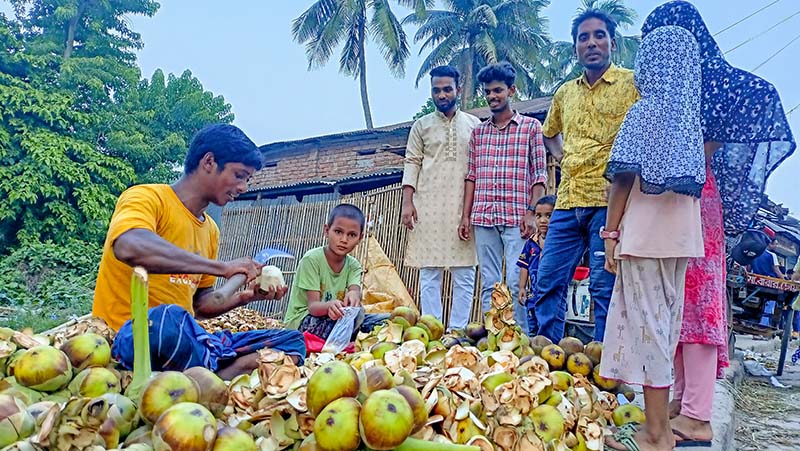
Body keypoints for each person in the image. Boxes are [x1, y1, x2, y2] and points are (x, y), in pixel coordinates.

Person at [641, 2, 796, 445]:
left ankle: (697, 414)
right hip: (671, 200)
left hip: (694, 200)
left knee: (697, 302)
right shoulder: (672, 92)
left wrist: (695, 150)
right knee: (674, 303)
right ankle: (681, 400)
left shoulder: (713, 88)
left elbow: (707, 143)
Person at [94, 124, 307, 380]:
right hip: (133, 337)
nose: (243, 187)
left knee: (291, 340)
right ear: (208, 162)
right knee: (168, 318)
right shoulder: (147, 198)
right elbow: (129, 245)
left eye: (247, 180)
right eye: (239, 175)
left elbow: (200, 306)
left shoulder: (210, 230)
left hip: (184, 341)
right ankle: (204, 373)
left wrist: (246, 297)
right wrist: (222, 267)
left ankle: (207, 379)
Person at [599, 26, 706, 451]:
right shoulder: (689, 119)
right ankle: (657, 426)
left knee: (649, 334)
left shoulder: (644, 113)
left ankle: (657, 434)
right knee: (664, 329)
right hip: (681, 239)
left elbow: (622, 178)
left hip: (644, 237)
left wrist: (610, 233)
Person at [534, 9, 640, 343]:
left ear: (612, 43)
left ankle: (606, 362)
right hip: (567, 202)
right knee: (547, 281)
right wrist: (562, 157)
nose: (591, 43)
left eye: (599, 36)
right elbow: (549, 132)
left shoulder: (632, 84)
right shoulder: (565, 92)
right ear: (575, 47)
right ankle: (544, 356)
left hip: (610, 204)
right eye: (584, 37)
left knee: (603, 287)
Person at [458, 61, 547, 334]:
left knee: (516, 278)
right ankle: (494, 337)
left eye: (497, 90)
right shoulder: (478, 133)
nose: (492, 96)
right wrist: (465, 216)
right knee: (490, 282)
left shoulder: (531, 127)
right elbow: (472, 176)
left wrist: (531, 212)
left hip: (517, 217)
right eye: (487, 92)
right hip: (483, 216)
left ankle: (521, 338)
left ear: (511, 90)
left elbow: (539, 175)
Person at [402, 65, 481, 332]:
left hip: (463, 206)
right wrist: (407, 202)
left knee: (465, 271)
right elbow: (412, 161)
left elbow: (479, 168)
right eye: (436, 90)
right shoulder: (421, 126)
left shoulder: (474, 125)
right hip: (428, 205)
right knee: (429, 271)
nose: (442, 94)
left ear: (459, 89)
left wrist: (472, 210)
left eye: (447, 89)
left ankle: (458, 331)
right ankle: (432, 329)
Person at [284, 203, 389, 340]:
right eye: (338, 232)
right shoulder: (311, 260)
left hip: (338, 318)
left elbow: (354, 290)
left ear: (360, 238)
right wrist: (329, 306)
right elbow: (313, 307)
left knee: (387, 321)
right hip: (303, 322)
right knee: (352, 326)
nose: (344, 240)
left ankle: (353, 334)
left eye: (352, 235)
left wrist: (354, 297)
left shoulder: (354, 265)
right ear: (327, 231)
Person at [517, 195, 555, 335]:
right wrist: (522, 287)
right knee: (532, 328)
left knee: (549, 325)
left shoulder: (557, 242)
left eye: (548, 216)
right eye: (538, 216)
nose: (543, 220)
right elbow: (524, 265)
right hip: (532, 296)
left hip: (551, 294)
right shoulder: (531, 243)